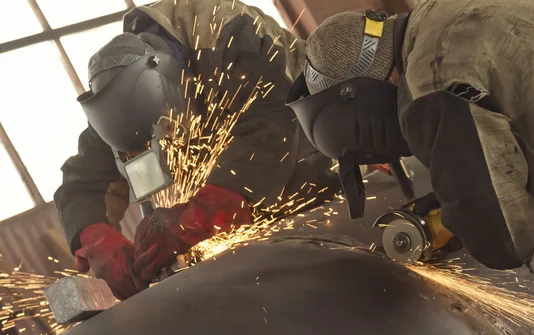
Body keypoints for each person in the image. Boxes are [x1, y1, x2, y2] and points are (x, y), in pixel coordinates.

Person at [286, 2, 534, 331]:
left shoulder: (429, 82)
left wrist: (456, 218)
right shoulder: (449, 13)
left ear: (358, 97)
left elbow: (507, 239)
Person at [54, 0, 338, 300]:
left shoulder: (230, 33)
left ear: (173, 82)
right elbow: (82, 182)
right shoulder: (113, 110)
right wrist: (98, 239)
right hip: (240, 222)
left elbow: (271, 125)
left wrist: (197, 217)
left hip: (315, 166)